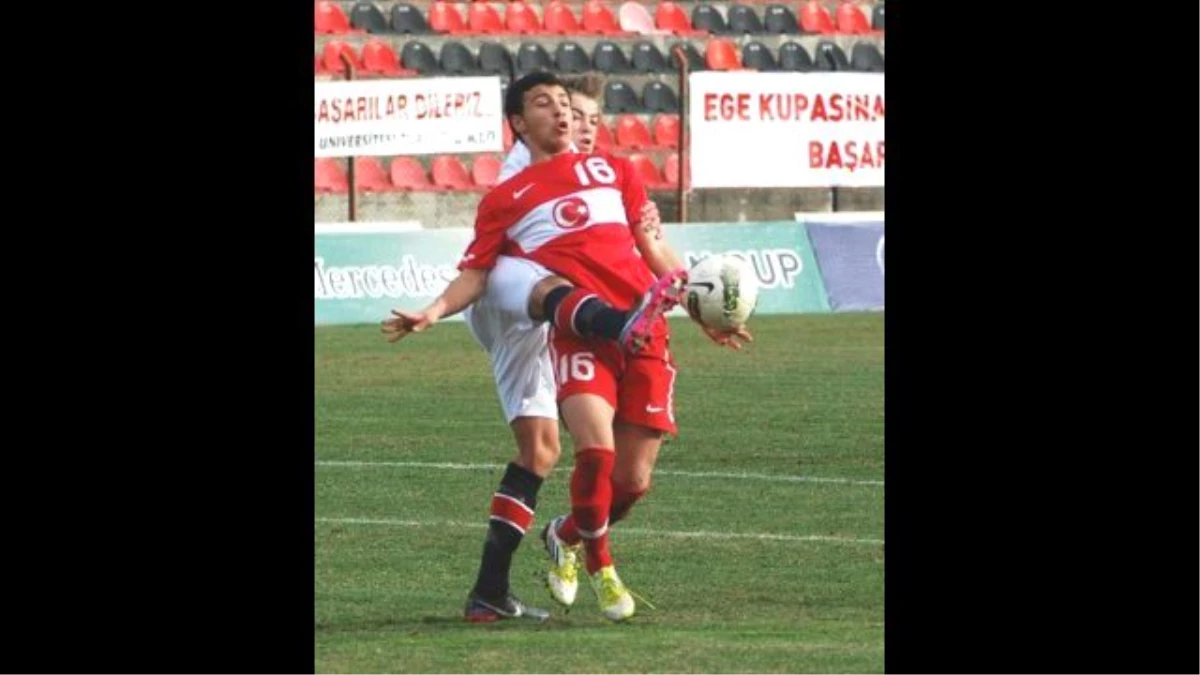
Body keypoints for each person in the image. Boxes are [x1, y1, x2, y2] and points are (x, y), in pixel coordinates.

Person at [381, 72, 709, 622]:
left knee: (555, 456)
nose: (575, 122)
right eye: (560, 110)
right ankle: (614, 324)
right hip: (517, 303)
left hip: (583, 310)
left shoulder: (609, 169)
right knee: (547, 291)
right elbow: (482, 270)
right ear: (518, 124)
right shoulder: (513, 185)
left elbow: (644, 234)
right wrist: (434, 309)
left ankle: (497, 587)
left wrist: (691, 292)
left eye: (583, 116)